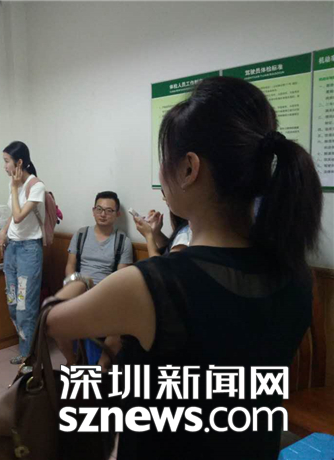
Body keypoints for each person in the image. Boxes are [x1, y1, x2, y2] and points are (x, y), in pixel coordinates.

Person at [45, 76, 322, 459]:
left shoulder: (150, 284)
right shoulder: (299, 277)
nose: (161, 173)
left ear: (190, 168)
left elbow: (52, 322)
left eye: (164, 159)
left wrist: (78, 280)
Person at [60, 191, 132, 365]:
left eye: (109, 210)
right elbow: (70, 265)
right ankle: (72, 362)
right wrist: (72, 284)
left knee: (118, 329)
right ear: (93, 211)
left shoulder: (122, 241)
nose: (103, 214)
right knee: (54, 320)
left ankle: (101, 368)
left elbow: (121, 277)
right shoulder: (81, 234)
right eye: (99, 209)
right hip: (79, 288)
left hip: (105, 294)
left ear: (117, 214)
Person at [0, 141, 45, 366]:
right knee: (13, 303)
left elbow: (19, 216)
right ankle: (26, 349)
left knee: (26, 306)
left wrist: (15, 188)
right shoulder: (14, 184)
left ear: (19, 163)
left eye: (7, 161)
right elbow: (12, 215)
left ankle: (29, 356)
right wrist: (3, 232)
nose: (4, 166)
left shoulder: (36, 186)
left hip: (29, 250)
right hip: (12, 249)